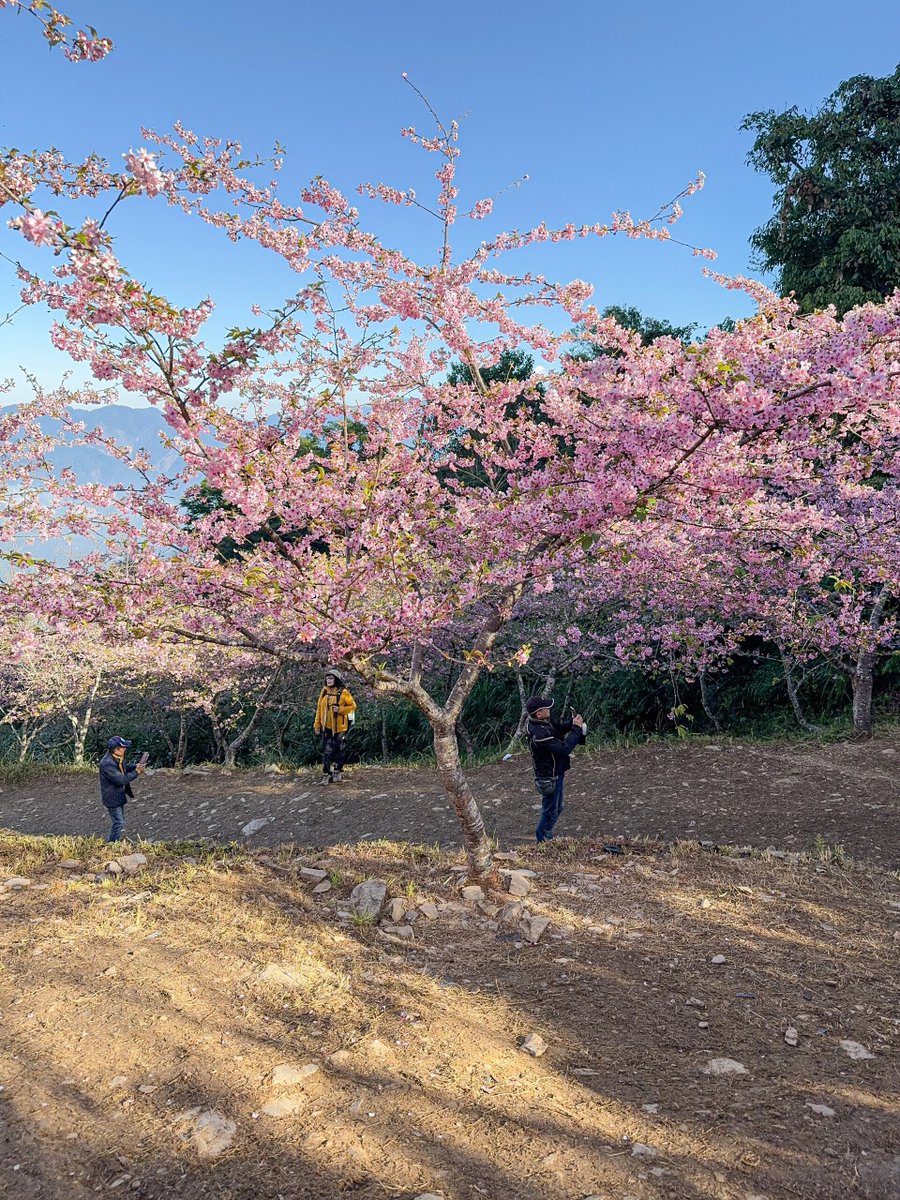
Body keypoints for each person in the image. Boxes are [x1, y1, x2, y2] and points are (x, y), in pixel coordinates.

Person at [525, 696, 586, 843]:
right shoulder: (539, 734)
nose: (549, 709)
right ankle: (543, 839)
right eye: (546, 708)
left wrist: (571, 723)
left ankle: (546, 837)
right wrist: (577, 729)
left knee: (557, 808)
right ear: (539, 714)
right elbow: (564, 748)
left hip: (556, 772)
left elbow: (557, 729)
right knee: (551, 811)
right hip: (548, 777)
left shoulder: (541, 723)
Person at [98, 735, 147, 843]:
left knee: (120, 821)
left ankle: (114, 842)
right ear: (116, 749)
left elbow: (124, 768)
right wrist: (137, 772)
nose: (125, 749)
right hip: (112, 798)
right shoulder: (107, 764)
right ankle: (112, 843)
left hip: (119, 795)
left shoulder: (117, 757)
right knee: (118, 822)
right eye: (123, 747)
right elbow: (121, 780)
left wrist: (135, 766)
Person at [313, 669, 357, 784]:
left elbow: (353, 706)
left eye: (331, 678)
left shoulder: (344, 692)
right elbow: (319, 709)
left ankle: (338, 771)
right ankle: (326, 773)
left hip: (340, 727)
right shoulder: (324, 692)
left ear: (336, 679)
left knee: (339, 749)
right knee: (327, 751)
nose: (328, 680)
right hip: (326, 726)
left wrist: (340, 709)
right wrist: (317, 725)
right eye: (327, 678)